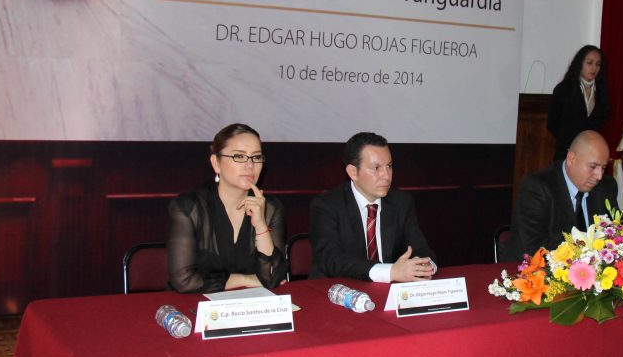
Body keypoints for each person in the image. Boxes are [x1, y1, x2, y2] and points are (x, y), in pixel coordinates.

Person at [167, 123, 287, 292]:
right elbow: (184, 280)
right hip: (195, 306)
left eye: (256, 157)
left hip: (251, 308)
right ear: (216, 163)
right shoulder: (188, 207)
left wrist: (260, 226)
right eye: (239, 156)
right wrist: (244, 279)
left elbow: (273, 277)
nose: (250, 165)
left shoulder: (270, 207)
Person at [310, 132, 437, 282]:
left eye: (389, 166)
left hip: (390, 292)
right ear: (352, 172)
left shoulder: (401, 201)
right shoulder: (326, 205)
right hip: (338, 290)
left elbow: (419, 246)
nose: (386, 176)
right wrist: (390, 272)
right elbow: (331, 259)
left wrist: (424, 265)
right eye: (376, 168)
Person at [502, 130, 619, 262]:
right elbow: (535, 248)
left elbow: (615, 235)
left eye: (603, 168)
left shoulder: (606, 187)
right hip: (535, 273)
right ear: (571, 159)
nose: (599, 176)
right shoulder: (537, 187)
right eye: (593, 166)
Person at [547, 45, 610, 161]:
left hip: (591, 153)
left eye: (598, 64)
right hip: (567, 151)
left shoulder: (602, 91)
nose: (594, 68)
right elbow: (552, 122)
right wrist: (568, 139)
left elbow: (602, 122)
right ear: (580, 63)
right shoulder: (564, 89)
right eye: (589, 63)